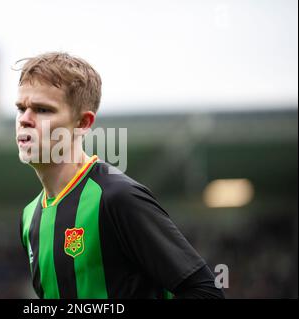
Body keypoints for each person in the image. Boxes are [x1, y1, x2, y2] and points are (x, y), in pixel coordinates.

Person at [16, 52, 224, 299]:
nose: (25, 120)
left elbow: (206, 292)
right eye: (21, 108)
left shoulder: (116, 197)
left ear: (83, 123)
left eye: (42, 110)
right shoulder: (30, 217)